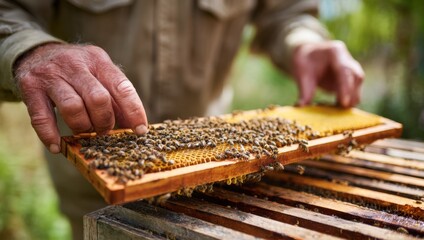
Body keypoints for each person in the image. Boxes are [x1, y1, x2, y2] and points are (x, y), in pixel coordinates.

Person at [0, 0, 364, 239]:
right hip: (95, 190)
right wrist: (32, 50)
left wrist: (304, 40)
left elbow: (286, 12)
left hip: (220, 181)